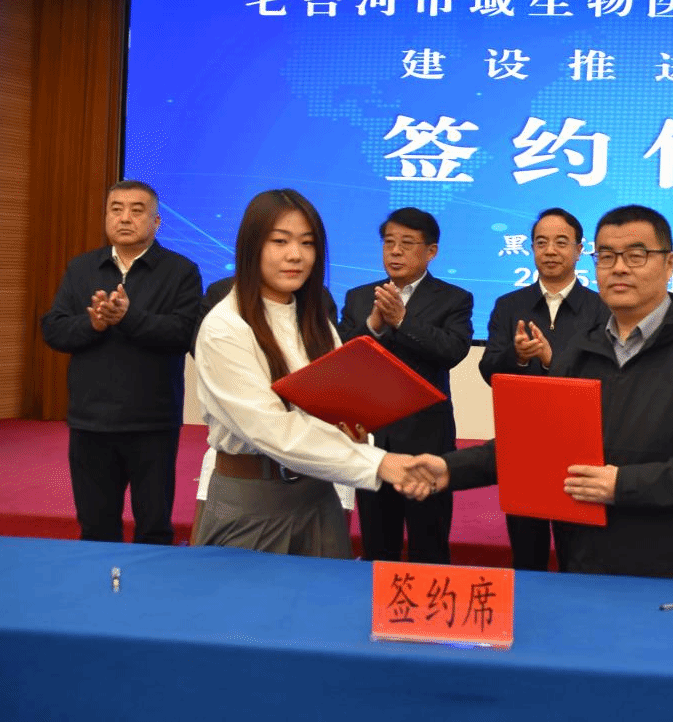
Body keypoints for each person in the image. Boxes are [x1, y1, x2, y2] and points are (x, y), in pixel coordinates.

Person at [411, 205, 673, 580]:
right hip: (585, 561)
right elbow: (537, 441)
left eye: (637, 255)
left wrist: (623, 485)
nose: (619, 268)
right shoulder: (580, 350)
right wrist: (450, 468)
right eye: (606, 256)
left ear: (669, 263)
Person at [191, 189, 428, 558]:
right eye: (280, 241)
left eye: (307, 243)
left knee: (326, 595)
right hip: (253, 498)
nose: (295, 255)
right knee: (248, 596)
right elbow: (272, 429)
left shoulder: (313, 317)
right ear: (251, 246)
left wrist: (352, 427)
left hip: (318, 495)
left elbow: (330, 399)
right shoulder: (225, 327)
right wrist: (379, 462)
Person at [41, 180, 202, 545]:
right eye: (116, 209)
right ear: (106, 216)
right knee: (96, 529)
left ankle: (153, 582)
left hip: (152, 422)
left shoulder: (181, 271)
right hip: (90, 422)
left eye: (136, 210)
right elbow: (54, 329)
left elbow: (184, 333)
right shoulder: (82, 268)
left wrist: (128, 318)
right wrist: (93, 324)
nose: (125, 218)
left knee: (154, 528)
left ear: (156, 222)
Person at [338, 207, 473, 564]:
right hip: (373, 438)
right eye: (389, 243)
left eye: (407, 243)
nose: (395, 251)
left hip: (426, 440)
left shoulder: (454, 299)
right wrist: (373, 326)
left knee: (429, 544)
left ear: (431, 251)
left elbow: (452, 351)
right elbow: (343, 357)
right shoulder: (358, 297)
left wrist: (402, 320)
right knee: (377, 544)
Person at [478, 207, 609, 571]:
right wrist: (519, 357)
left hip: (581, 444)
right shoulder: (509, 305)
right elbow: (488, 370)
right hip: (524, 441)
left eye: (561, 242)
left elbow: (606, 374)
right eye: (541, 242)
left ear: (579, 250)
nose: (550, 250)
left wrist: (553, 360)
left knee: (578, 553)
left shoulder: (600, 307)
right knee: (527, 553)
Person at [189, 275, 340, 535]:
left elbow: (333, 374)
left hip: (316, 489)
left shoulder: (318, 300)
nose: (294, 256)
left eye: (307, 249)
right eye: (278, 247)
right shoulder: (222, 304)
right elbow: (203, 354)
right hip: (250, 486)